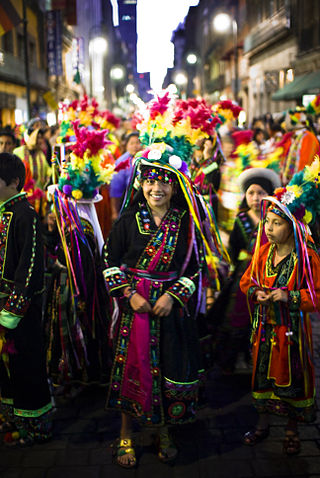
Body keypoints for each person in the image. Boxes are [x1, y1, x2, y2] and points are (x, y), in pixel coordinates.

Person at [103, 142, 221, 467]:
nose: (156, 188)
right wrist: (130, 295)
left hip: (171, 310)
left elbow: (196, 265)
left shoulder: (185, 222)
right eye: (150, 181)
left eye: (164, 181)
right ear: (140, 184)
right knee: (133, 368)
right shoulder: (127, 220)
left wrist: (174, 296)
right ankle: (126, 433)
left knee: (169, 367)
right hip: (136, 310)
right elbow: (109, 261)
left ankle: (164, 429)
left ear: (175, 185)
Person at [240, 159, 320, 455]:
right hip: (263, 330)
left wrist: (291, 297)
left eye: (277, 223)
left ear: (293, 225)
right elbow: (246, 281)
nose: (269, 228)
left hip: (293, 334)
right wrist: (257, 292)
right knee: (260, 375)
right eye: (268, 223)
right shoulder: (263, 252)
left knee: (294, 378)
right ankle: (262, 425)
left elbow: (317, 296)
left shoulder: (306, 258)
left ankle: (291, 429)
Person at [0, 152, 53, 446]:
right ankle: (12, 416)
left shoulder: (26, 215)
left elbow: (30, 267)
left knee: (27, 364)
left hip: (21, 309)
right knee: (6, 366)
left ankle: (35, 425)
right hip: (2, 306)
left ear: (14, 182)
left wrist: (12, 310)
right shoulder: (3, 212)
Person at [209, 168, 280, 374]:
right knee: (238, 316)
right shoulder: (241, 220)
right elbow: (233, 250)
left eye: (261, 193)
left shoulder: (276, 219)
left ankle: (260, 359)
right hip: (245, 275)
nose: (256, 198)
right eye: (251, 193)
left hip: (272, 275)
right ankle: (234, 358)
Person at [109, 132, 142, 221]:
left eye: (138, 142)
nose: (135, 146)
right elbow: (115, 190)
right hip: (128, 206)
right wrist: (114, 212)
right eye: (132, 143)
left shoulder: (146, 159)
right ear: (126, 145)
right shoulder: (121, 162)